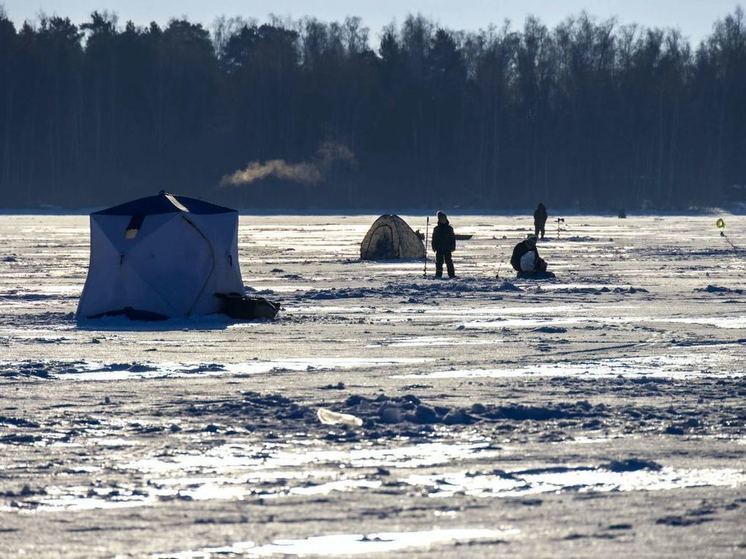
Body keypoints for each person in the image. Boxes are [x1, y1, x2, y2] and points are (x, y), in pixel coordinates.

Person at [431, 211, 456, 278]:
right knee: (439, 262)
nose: (443, 220)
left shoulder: (449, 228)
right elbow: (434, 238)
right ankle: (438, 274)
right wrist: (433, 246)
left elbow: (453, 238)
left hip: (447, 248)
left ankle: (451, 274)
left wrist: (453, 246)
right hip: (439, 248)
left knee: (449, 262)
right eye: (441, 219)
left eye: (444, 218)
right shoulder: (436, 229)